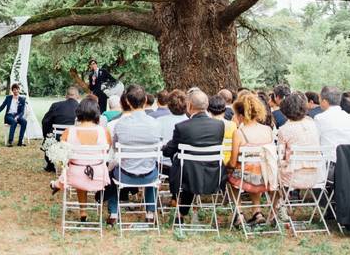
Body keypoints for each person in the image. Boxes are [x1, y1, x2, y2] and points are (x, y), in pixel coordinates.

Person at [162, 89, 226, 220]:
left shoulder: (182, 127)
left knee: (182, 164)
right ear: (206, 105)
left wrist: (165, 149)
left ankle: (181, 211)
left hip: (187, 178)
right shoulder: (219, 125)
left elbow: (170, 150)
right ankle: (182, 212)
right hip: (213, 175)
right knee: (190, 165)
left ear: (189, 106)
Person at [104, 85, 161, 225]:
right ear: (146, 99)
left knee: (109, 170)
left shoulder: (120, 124)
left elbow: (115, 148)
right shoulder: (155, 124)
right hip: (150, 175)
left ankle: (113, 213)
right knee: (152, 166)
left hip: (125, 174)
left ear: (127, 102)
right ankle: (150, 212)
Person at [48, 97, 111, 223]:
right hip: (99, 176)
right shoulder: (104, 132)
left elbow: (63, 154)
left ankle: (82, 210)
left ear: (79, 113)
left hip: (75, 176)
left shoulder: (69, 131)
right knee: (83, 169)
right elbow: (107, 151)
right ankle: (82, 209)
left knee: (78, 169)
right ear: (96, 113)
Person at [227, 91, 277, 226]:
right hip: (266, 176)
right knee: (255, 170)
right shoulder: (268, 130)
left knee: (230, 175)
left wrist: (226, 166)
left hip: (246, 177)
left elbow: (232, 162)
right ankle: (257, 211)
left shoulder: (239, 133)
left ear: (240, 115)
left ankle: (239, 213)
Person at [277, 92, 321, 192]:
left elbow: (281, 157)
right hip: (316, 176)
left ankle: (279, 202)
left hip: (291, 178)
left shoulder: (284, 129)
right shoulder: (312, 124)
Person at [41, 86, 80, 172]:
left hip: (56, 137)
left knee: (49, 136)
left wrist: (47, 135)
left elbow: (45, 121)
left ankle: (50, 164)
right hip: (73, 138)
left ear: (66, 96)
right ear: (78, 96)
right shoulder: (81, 108)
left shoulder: (56, 105)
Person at [314, 86, 350, 163]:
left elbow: (315, 142)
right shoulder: (349, 117)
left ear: (324, 101)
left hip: (330, 166)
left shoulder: (320, 118)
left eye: (319, 99)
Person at [207, 94, 236, 165]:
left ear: (208, 110)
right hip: (227, 161)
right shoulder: (233, 125)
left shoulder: (207, 127)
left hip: (211, 161)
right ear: (224, 110)